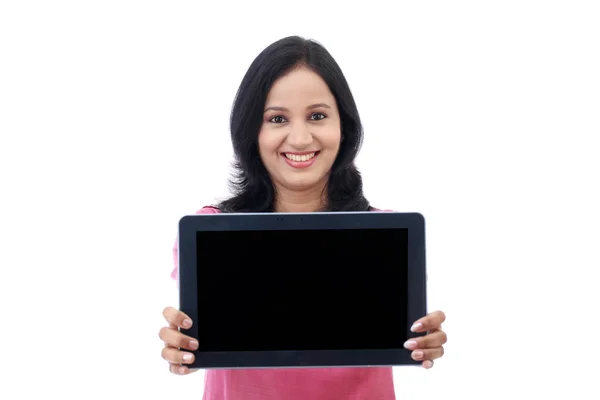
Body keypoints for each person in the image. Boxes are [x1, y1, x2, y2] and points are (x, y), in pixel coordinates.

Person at [159, 35, 447, 400]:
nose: (299, 137)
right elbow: (199, 338)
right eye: (277, 118)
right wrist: (182, 347)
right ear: (252, 130)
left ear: (344, 126)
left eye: (317, 116)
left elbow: (407, 333)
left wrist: (425, 339)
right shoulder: (212, 229)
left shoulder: (384, 232)